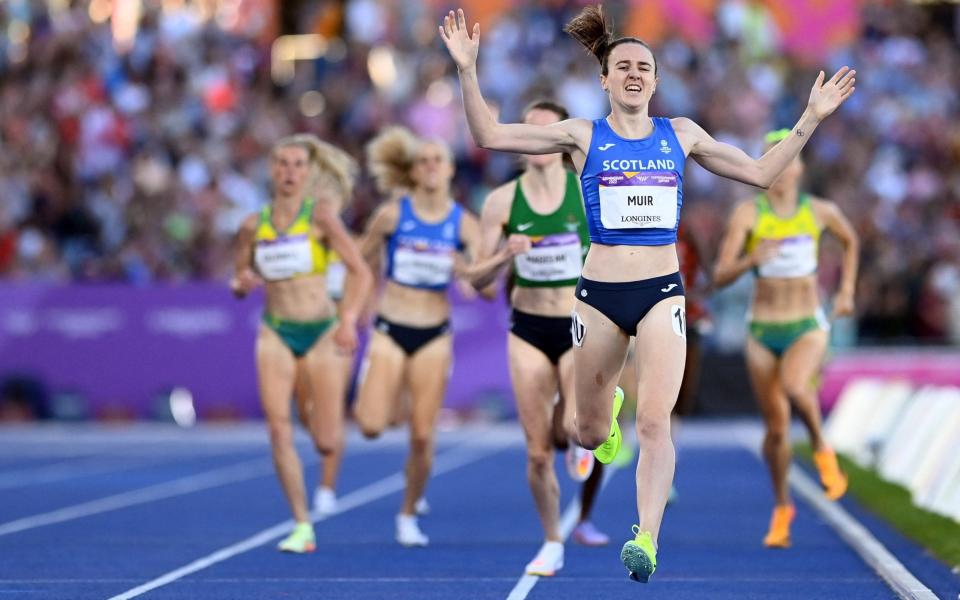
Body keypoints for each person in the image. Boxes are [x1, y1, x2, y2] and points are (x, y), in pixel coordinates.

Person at [439, 5, 855, 582]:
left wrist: (810, 117)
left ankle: (646, 538)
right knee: (584, 433)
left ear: (656, 81)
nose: (634, 73)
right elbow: (489, 134)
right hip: (599, 297)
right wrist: (466, 69)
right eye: (623, 65)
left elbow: (760, 174)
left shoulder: (679, 134)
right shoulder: (581, 136)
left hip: (662, 292)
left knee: (656, 421)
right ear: (605, 79)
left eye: (644, 66)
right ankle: (603, 416)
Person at [467, 99, 609, 576]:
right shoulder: (502, 202)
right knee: (535, 450)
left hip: (576, 325)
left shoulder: (587, 190)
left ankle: (586, 435)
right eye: (534, 132)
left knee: (573, 427)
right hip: (527, 329)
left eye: (552, 131)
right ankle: (552, 540)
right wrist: (504, 254)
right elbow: (476, 280)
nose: (543, 141)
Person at [712, 128, 859, 548]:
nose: (781, 165)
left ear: (799, 166)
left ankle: (821, 447)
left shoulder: (819, 211)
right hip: (762, 330)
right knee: (775, 431)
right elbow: (720, 275)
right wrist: (751, 259)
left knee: (797, 387)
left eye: (788, 156)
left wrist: (847, 291)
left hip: (806, 326)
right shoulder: (748, 215)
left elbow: (851, 241)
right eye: (772, 157)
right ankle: (782, 508)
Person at [231, 134, 373, 553]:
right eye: (281, 164)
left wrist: (347, 319)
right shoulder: (251, 226)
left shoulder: (322, 218)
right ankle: (301, 524)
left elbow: (360, 273)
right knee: (278, 429)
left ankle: (324, 460)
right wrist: (242, 283)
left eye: (297, 165)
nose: (289, 172)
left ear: (308, 173)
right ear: (271, 171)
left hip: (322, 331)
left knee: (325, 439)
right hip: (275, 330)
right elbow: (240, 278)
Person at [353, 126, 482, 547]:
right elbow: (359, 260)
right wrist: (360, 305)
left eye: (437, 160)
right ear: (413, 171)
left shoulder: (463, 223)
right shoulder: (393, 214)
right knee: (370, 425)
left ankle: (408, 513)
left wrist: (467, 272)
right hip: (391, 325)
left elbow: (483, 284)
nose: (429, 166)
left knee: (423, 435)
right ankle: (388, 392)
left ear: (449, 171)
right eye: (422, 160)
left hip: (433, 333)